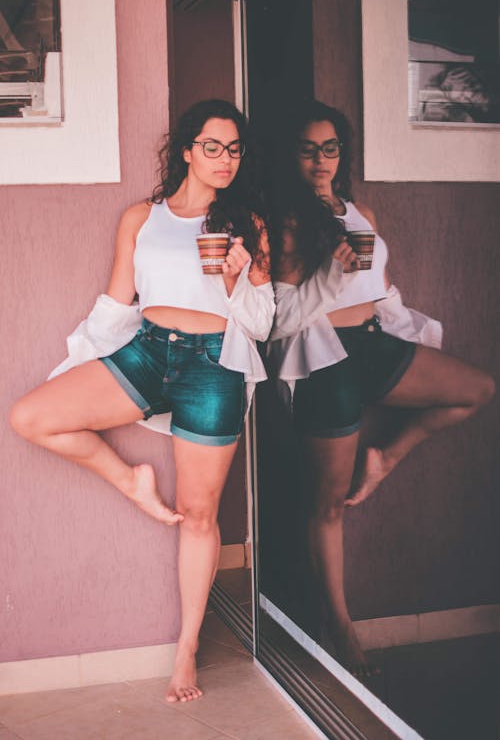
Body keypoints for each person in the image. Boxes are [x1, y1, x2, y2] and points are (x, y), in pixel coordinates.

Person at [10, 99, 275, 702]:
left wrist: (243, 277)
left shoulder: (247, 225)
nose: (225, 159)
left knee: (199, 514)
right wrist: (81, 366)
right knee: (32, 416)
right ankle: (130, 480)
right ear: (186, 150)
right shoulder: (140, 218)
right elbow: (115, 306)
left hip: (216, 365)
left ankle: (185, 650)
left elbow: (258, 326)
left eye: (234, 149)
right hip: (149, 350)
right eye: (212, 146)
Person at [268, 99, 495, 676]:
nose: (320, 159)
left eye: (330, 147)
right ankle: (340, 627)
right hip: (326, 360)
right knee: (327, 504)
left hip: (372, 344)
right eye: (307, 148)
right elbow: (284, 316)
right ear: (291, 155)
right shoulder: (289, 220)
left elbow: (383, 289)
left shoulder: (359, 210)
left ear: (342, 154)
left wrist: (410, 336)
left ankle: (386, 457)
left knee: (476, 389)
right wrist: (331, 275)